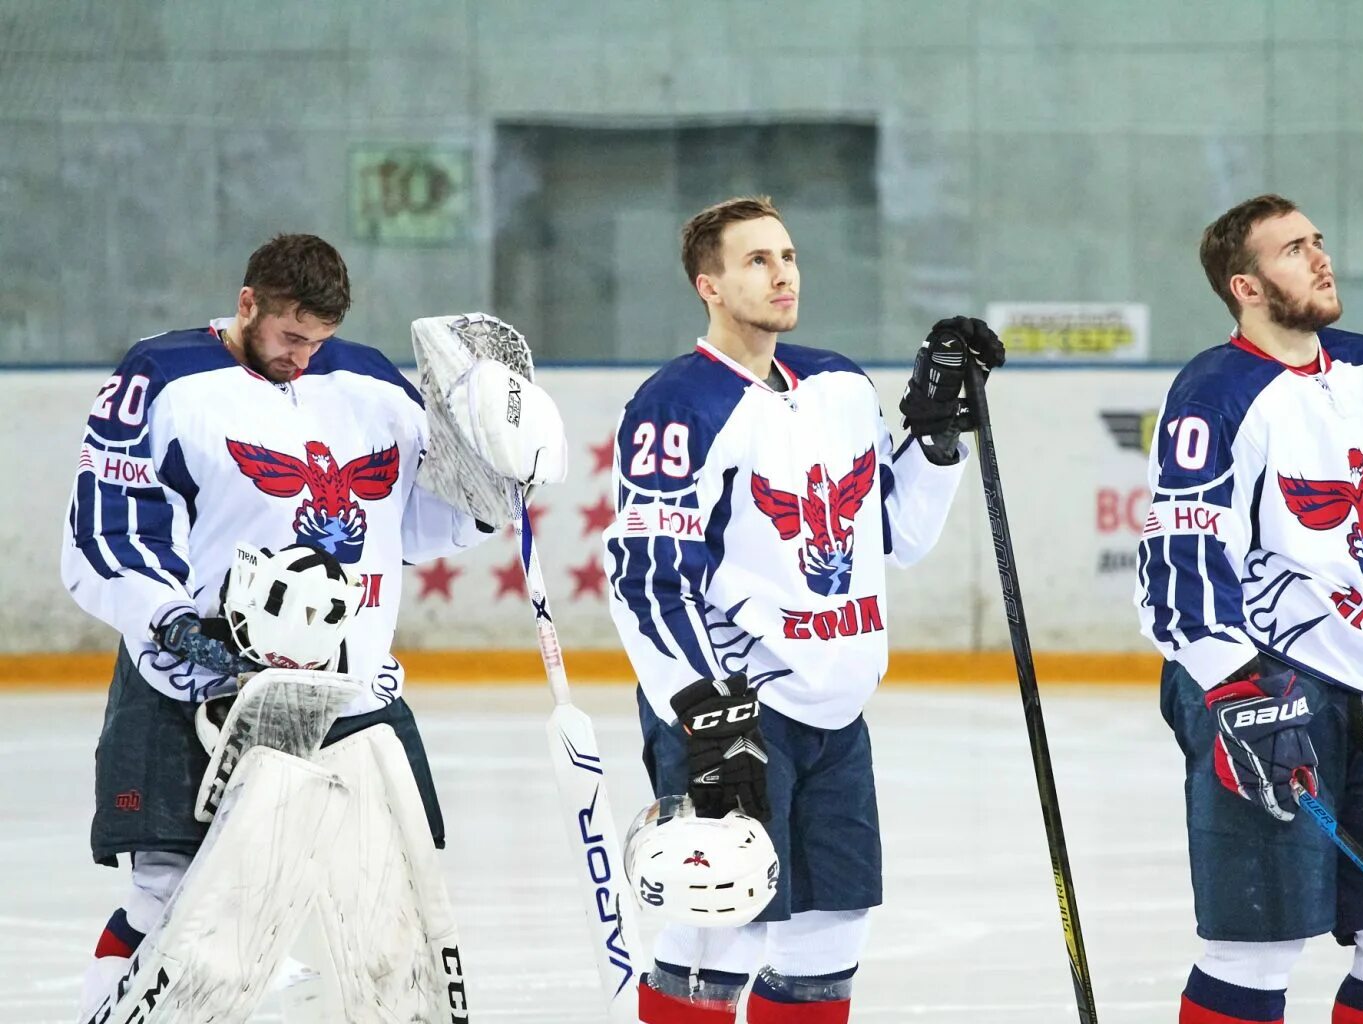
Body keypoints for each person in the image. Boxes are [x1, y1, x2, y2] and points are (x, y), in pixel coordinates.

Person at [60, 234, 565, 1018]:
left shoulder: (364, 378)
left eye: (319, 339)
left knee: (391, 909)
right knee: (177, 904)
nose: (303, 355)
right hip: (202, 685)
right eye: (291, 336)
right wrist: (173, 624)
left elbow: (417, 522)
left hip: (351, 690)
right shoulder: (161, 377)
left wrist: (488, 486)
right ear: (247, 303)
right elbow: (108, 532)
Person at [602, 195, 1004, 1023]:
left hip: (837, 710)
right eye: (757, 261)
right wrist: (703, 711)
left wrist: (933, 435)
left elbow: (893, 532)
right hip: (732, 707)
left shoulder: (838, 385)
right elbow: (647, 577)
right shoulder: (677, 405)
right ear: (707, 285)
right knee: (717, 935)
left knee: (828, 944)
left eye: (787, 256)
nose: (782, 274)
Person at [1136, 194, 1363, 1024]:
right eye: (1294, 249)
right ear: (1245, 286)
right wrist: (1230, 687)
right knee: (1255, 953)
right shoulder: (1215, 390)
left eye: (1319, 241)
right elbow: (1180, 558)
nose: (1321, 258)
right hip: (1268, 684)